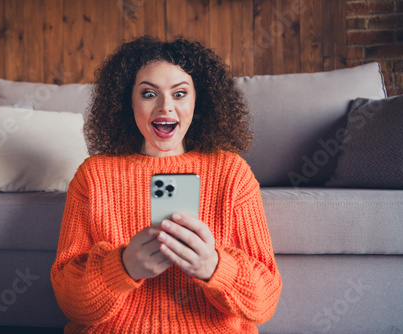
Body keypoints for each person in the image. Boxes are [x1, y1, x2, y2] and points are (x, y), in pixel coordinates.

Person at [51, 36, 282, 333]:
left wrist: (213, 267)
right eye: (149, 94)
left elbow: (264, 303)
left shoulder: (232, 173)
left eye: (180, 93)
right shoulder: (93, 176)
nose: (165, 107)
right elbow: (69, 300)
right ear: (127, 101)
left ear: (199, 100)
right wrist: (121, 267)